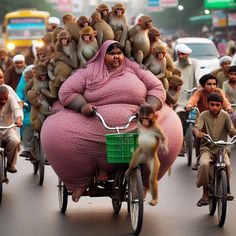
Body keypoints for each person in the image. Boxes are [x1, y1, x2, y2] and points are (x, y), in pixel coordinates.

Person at [41, 40, 183, 202]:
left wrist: (149, 106)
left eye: (119, 53)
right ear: (102, 55)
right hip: (93, 123)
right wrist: (82, 106)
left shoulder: (133, 67)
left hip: (138, 121)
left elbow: (157, 87)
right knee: (56, 132)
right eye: (112, 54)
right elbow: (67, 91)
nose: (116, 57)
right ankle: (78, 182)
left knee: (170, 127)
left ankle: (144, 183)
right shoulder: (89, 70)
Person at [193, 93, 236, 207]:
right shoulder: (203, 115)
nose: (215, 107)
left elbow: (231, 131)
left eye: (218, 105)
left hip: (222, 148)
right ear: (207, 104)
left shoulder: (225, 116)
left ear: (222, 105)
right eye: (212, 104)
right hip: (207, 148)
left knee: (226, 164)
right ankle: (205, 192)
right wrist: (197, 132)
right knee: (204, 164)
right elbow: (197, 127)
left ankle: (226, 190)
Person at [174, 43, 201, 155]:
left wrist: (200, 85)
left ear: (188, 54)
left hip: (193, 98)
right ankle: (181, 145)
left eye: (183, 54)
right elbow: (172, 77)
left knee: (199, 121)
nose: (180, 56)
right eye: (178, 54)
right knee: (178, 118)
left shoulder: (194, 63)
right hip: (179, 99)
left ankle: (200, 146)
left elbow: (198, 76)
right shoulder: (174, 65)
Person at [0, 85, 23, 173]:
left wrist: (18, 119)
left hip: (8, 129)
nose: (3, 101)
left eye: (5, 99)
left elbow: (17, 110)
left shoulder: (11, 98)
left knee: (15, 141)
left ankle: (11, 164)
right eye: (1, 99)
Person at [16, 65, 35, 159]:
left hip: (42, 109)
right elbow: (19, 94)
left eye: (27, 78)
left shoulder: (41, 81)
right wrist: (20, 102)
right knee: (27, 121)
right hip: (28, 109)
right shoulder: (24, 81)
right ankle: (28, 149)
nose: (25, 79)